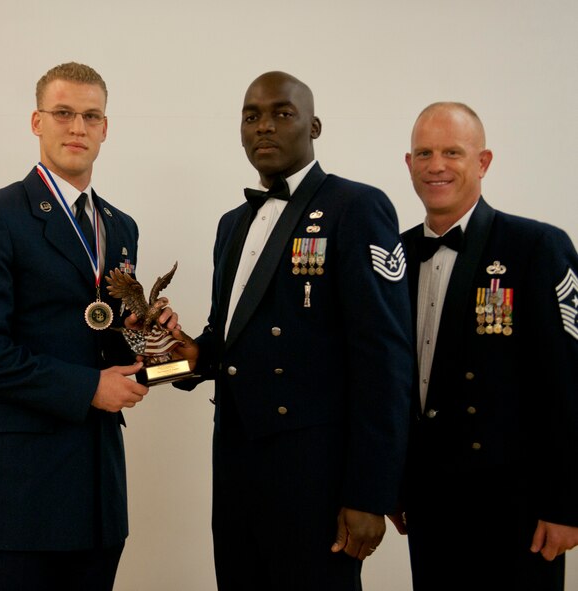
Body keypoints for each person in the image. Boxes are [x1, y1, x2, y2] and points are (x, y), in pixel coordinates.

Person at [0, 62, 180, 591]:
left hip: (97, 491)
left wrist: (151, 333)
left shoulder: (120, 226)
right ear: (36, 121)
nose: (78, 128)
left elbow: (102, 334)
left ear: (105, 128)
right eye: (64, 113)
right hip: (17, 493)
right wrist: (88, 387)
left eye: (90, 116)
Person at [173, 71, 413, 589]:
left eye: (283, 113)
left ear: (314, 126)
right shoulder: (231, 223)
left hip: (316, 476)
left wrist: (370, 493)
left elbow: (384, 358)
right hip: (237, 466)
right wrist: (183, 356)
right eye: (252, 116)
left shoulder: (356, 207)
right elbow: (227, 338)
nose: (265, 127)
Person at [394, 102, 578, 591]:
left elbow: (569, 381)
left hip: (515, 502)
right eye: (424, 153)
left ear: (483, 162)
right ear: (408, 164)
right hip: (429, 497)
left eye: (452, 152)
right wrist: (389, 481)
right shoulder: (395, 255)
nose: (436, 165)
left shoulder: (535, 246)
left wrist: (566, 505)